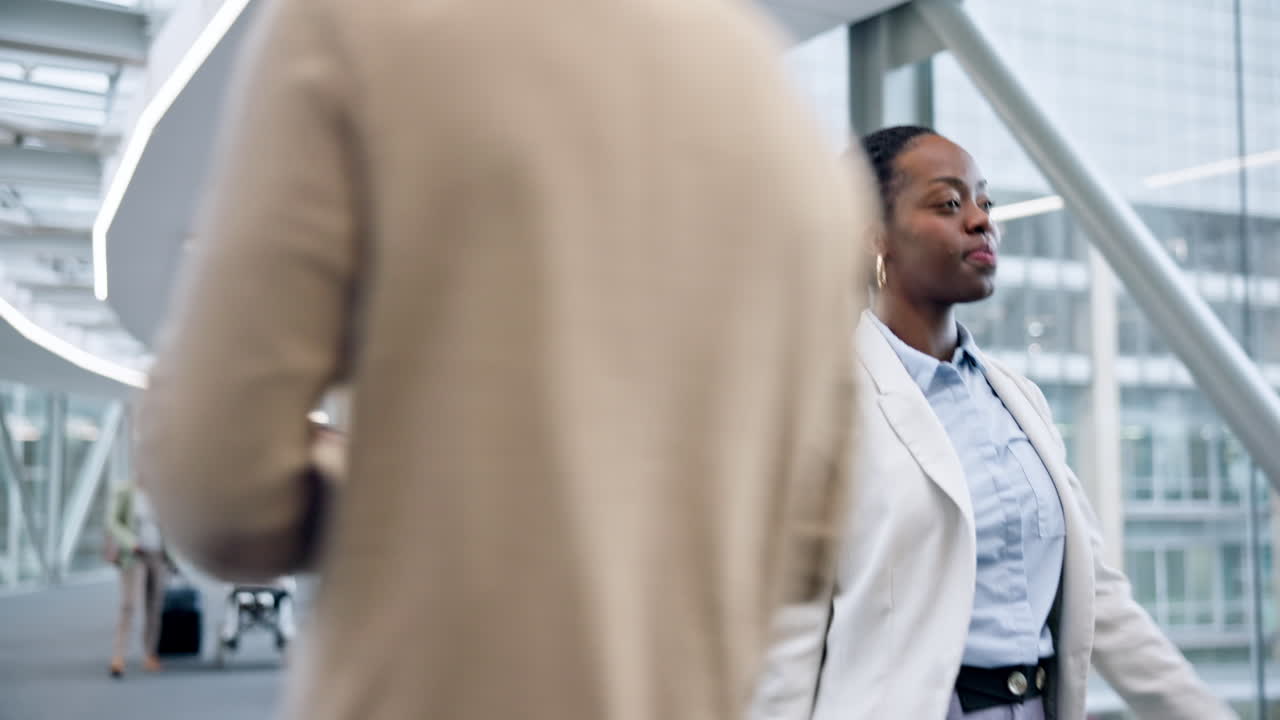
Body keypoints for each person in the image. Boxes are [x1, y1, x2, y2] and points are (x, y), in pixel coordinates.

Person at [133, 0, 871, 718]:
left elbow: (217, 489)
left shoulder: (359, 26)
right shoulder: (791, 129)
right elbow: (810, 540)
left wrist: (406, 481)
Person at [749, 126, 1236, 720]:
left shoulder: (1020, 400)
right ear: (875, 235)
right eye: (950, 203)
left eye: (985, 202)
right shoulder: (823, 407)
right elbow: (787, 639)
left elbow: (1101, 601)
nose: (981, 220)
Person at [105, 482, 169, 678]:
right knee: (129, 605)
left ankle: (150, 654)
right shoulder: (125, 492)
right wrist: (130, 542)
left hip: (157, 555)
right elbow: (112, 521)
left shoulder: (163, 492)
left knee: (154, 606)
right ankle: (118, 656)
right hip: (134, 555)